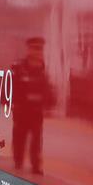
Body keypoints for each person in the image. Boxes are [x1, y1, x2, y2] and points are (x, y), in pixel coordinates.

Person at [11, 36, 55, 174]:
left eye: (40, 49)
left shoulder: (42, 68)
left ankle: (36, 165)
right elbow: (13, 87)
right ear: (29, 50)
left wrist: (49, 103)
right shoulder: (19, 67)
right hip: (22, 110)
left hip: (36, 111)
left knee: (36, 139)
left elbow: (46, 88)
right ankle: (18, 160)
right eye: (35, 49)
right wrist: (14, 104)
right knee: (20, 137)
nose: (37, 52)